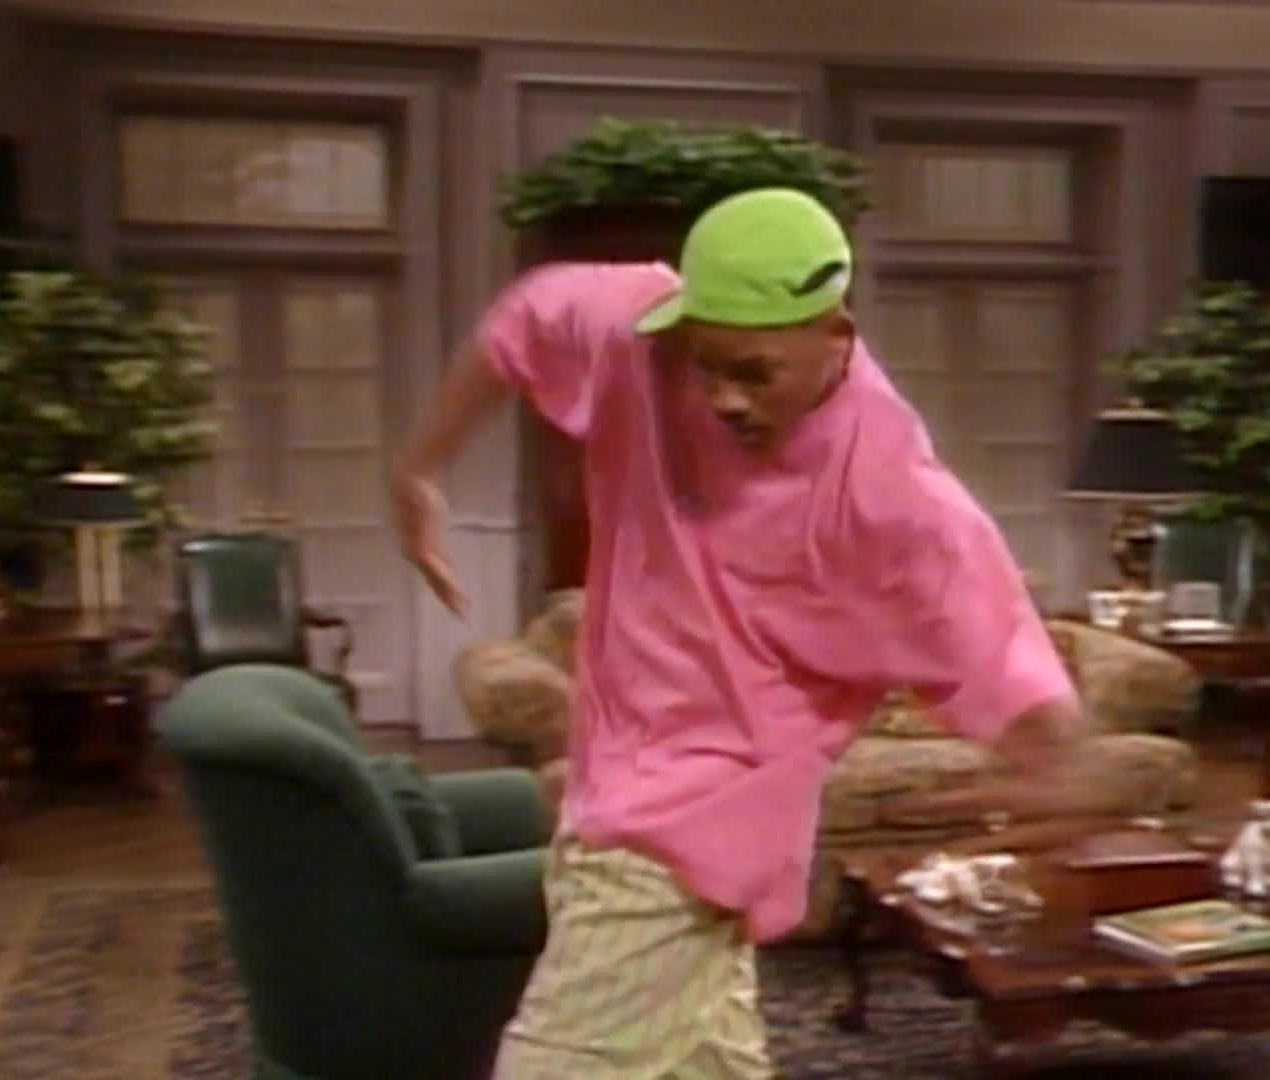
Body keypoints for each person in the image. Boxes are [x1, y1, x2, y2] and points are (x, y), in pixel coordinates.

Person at [392, 187, 1088, 1078]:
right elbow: (524, 318)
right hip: (613, 785)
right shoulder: (638, 330)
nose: (722, 397)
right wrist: (421, 467)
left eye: (754, 373)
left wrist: (1062, 768)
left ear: (834, 335)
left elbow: (1006, 663)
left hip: (683, 832)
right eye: (704, 365)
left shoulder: (895, 498)